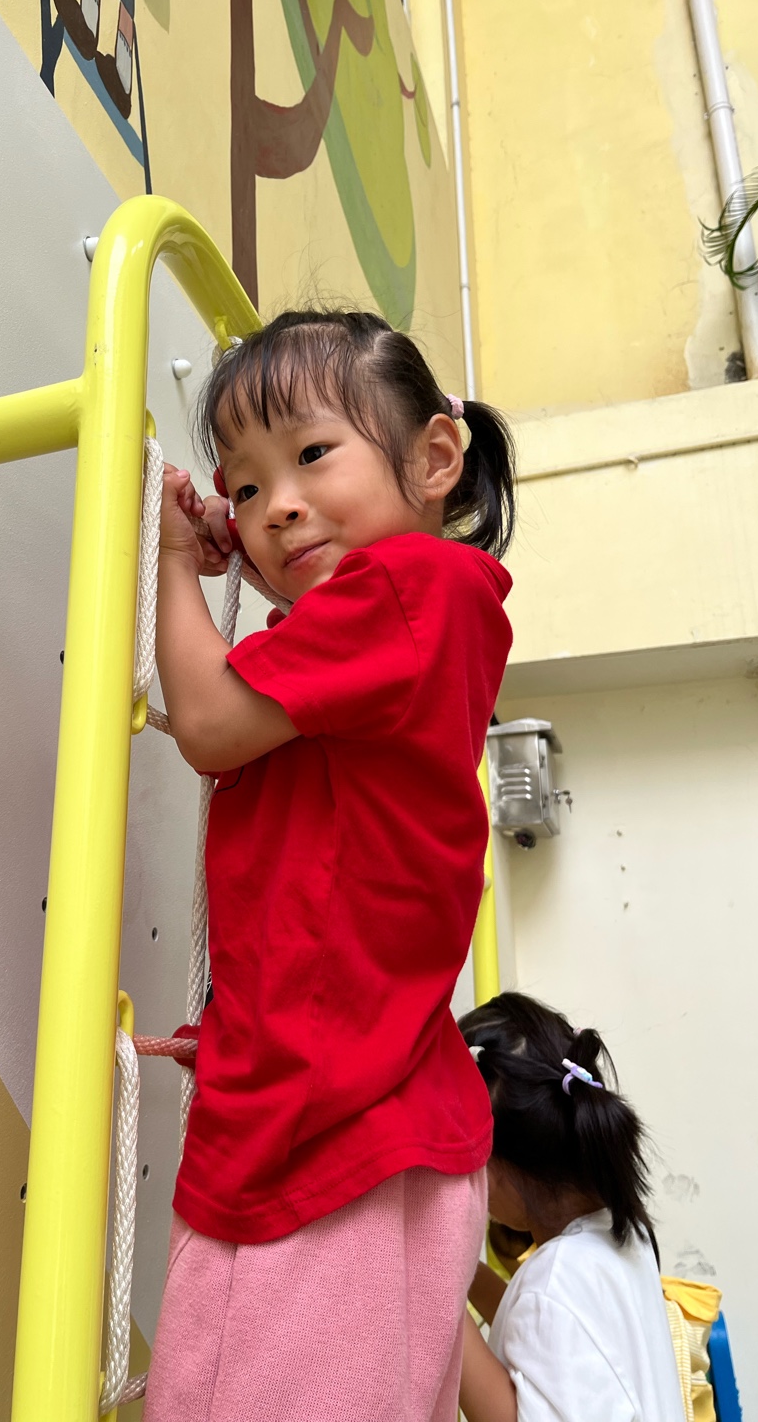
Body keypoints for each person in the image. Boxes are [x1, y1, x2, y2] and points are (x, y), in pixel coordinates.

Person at [141, 309, 517, 1421]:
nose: (276, 505)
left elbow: (209, 724)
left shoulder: (404, 590)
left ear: (436, 458)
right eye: (245, 488)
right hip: (387, 1100)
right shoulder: (409, 616)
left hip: (321, 1117)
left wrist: (174, 562)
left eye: (311, 453)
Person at [457, 992, 686, 1422]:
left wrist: (432, 1282)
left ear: (501, 1164)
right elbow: (534, 1325)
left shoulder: (555, 1280)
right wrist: (461, 1273)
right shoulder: (619, 1237)